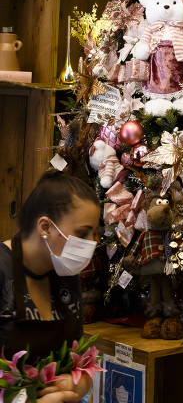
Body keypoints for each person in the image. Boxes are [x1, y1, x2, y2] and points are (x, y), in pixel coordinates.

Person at [0, 170, 100, 403]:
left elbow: (79, 357)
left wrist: (78, 384)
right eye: (83, 233)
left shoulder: (65, 274)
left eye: (95, 233)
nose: (92, 243)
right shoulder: (2, 270)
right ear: (45, 226)